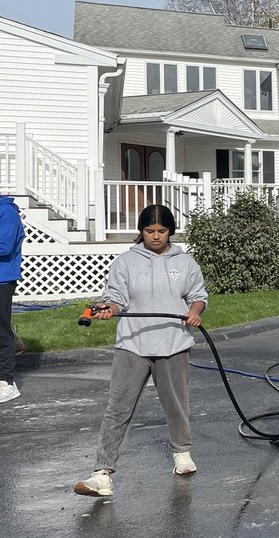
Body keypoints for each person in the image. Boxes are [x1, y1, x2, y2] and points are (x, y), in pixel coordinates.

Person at [74, 205, 208, 497]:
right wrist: (109, 309)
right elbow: (116, 298)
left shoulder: (185, 263)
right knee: (118, 408)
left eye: (161, 231)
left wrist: (194, 312)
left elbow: (197, 296)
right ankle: (102, 473)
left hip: (173, 343)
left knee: (176, 404)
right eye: (149, 231)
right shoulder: (126, 262)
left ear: (171, 230)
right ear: (141, 231)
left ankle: (182, 454)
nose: (156, 236)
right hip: (132, 346)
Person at [0, 194, 26, 404]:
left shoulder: (7, 212)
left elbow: (4, 246)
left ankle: (6, 381)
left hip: (2, 280)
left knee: (1, 331)